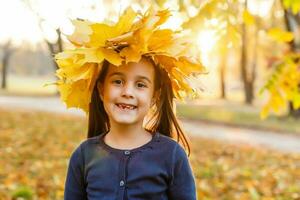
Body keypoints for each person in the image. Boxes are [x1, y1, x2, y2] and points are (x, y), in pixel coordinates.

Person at [51, 6, 207, 200]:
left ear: (155, 97)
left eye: (140, 85)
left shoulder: (172, 155)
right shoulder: (83, 156)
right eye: (118, 81)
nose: (127, 92)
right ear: (101, 89)